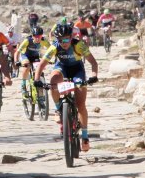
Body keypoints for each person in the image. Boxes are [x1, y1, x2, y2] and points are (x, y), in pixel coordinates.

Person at [34, 23, 98, 152]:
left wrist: (94, 75)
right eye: (60, 40)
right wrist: (36, 80)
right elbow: (42, 64)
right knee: (53, 81)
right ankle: (59, 109)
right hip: (61, 68)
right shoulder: (54, 47)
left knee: (80, 104)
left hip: (77, 70)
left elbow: (93, 62)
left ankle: (85, 136)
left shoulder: (79, 45)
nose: (63, 43)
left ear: (71, 37)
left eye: (66, 39)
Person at [15, 26, 51, 97]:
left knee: (39, 71)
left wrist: (50, 59)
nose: (37, 38)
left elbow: (51, 50)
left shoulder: (44, 41)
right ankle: (23, 84)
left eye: (39, 36)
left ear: (42, 36)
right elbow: (17, 52)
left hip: (35, 57)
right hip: (25, 55)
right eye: (35, 36)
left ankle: (40, 95)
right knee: (27, 65)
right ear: (32, 36)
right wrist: (16, 61)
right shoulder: (27, 40)